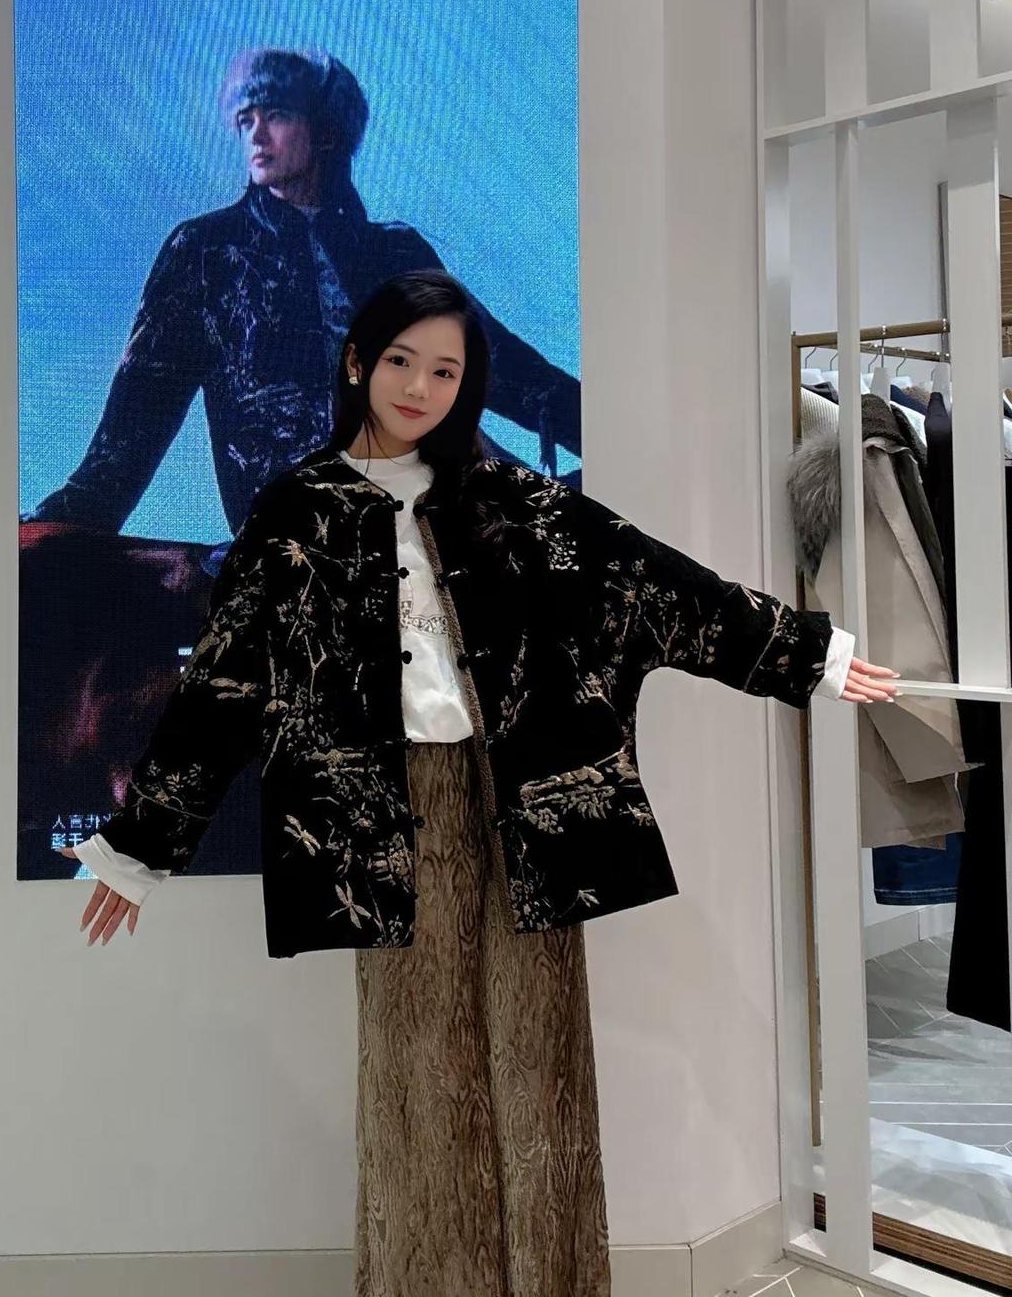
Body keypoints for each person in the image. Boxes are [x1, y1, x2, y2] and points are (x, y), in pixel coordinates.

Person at [60, 269, 898, 1297]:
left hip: (524, 803)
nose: (420, 387)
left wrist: (805, 654)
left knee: (543, 1065)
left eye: (446, 370)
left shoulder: (512, 501)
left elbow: (652, 582)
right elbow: (225, 685)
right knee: (415, 1072)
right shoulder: (295, 512)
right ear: (358, 362)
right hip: (377, 815)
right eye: (401, 361)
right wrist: (143, 846)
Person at [25, 47, 582, 542]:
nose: (256, 135)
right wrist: (56, 528)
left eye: (276, 115)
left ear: (327, 130)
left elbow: (504, 370)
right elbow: (135, 423)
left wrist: (611, 429)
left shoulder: (396, 253)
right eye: (245, 119)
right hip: (294, 531)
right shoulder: (207, 252)